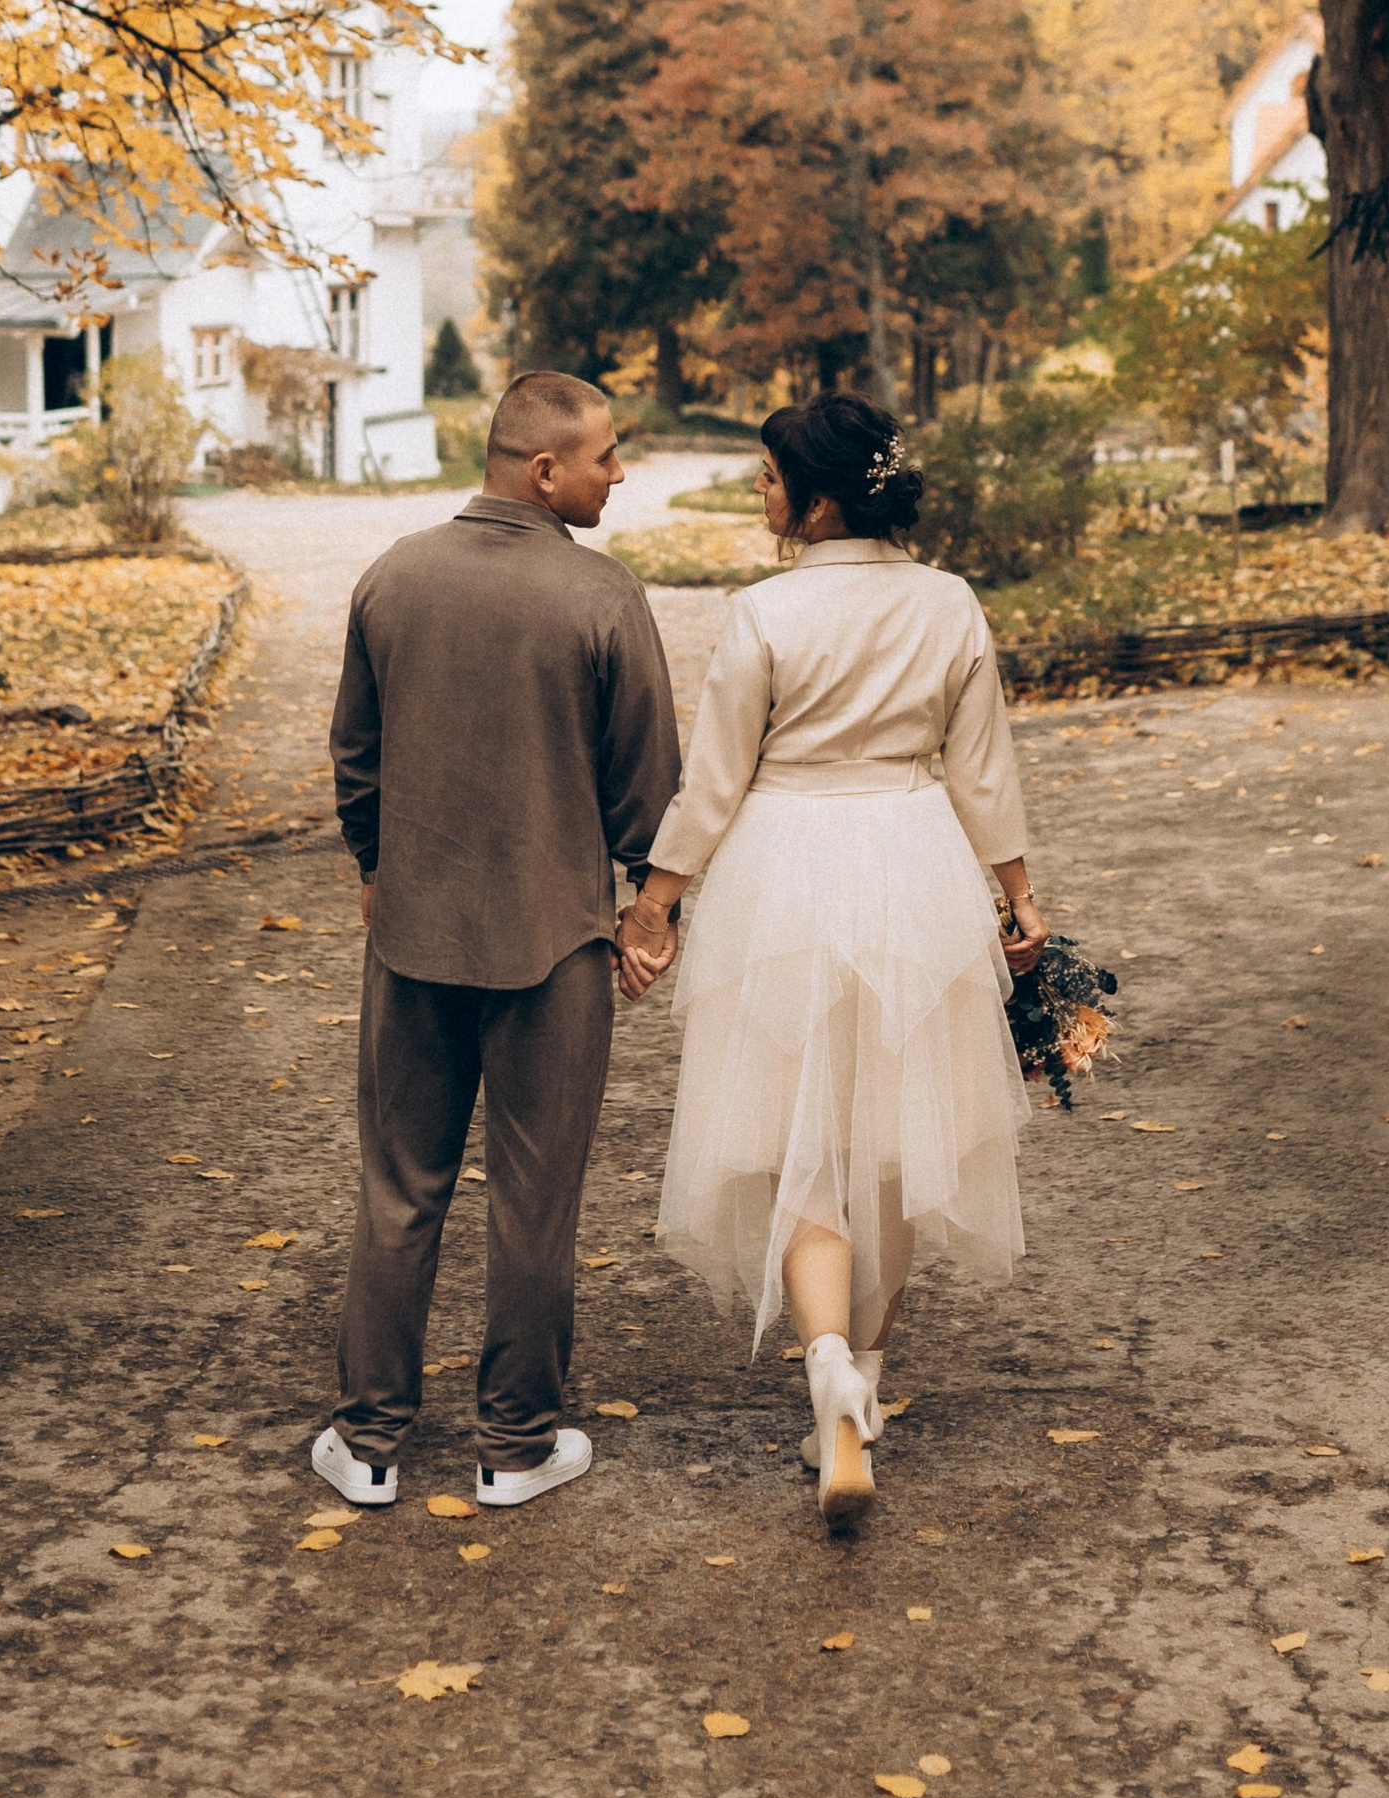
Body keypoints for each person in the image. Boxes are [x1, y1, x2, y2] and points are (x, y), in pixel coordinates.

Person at [618, 393, 1045, 1530]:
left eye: (767, 479)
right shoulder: (947, 602)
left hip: (784, 872)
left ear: (815, 499)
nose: (760, 495)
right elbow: (982, 767)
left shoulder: (762, 614)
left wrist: (657, 903)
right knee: (895, 1135)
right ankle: (859, 1378)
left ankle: (821, 1365)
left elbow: (714, 779)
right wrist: (1016, 895)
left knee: (794, 1134)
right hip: (914, 862)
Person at [314, 370, 680, 1512]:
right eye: (605, 455)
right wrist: (647, 914)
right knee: (534, 1199)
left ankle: (368, 1440)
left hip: (414, 936)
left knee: (397, 1187)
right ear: (542, 470)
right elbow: (649, 786)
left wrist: (377, 869)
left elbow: (354, 756)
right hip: (555, 947)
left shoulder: (390, 578)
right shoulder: (601, 596)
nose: (618, 473)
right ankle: (515, 1446)